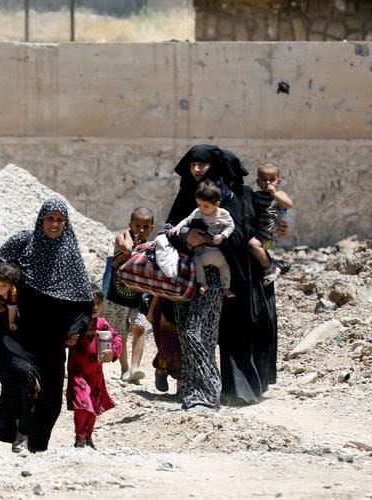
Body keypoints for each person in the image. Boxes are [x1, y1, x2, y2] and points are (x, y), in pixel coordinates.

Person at [166, 144, 280, 409]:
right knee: (191, 333)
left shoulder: (231, 197)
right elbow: (170, 227)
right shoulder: (187, 194)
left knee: (222, 334)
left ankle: (214, 393)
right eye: (193, 163)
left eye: (202, 164)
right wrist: (185, 235)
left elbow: (242, 235)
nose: (196, 169)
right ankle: (195, 389)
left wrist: (210, 238)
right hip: (192, 275)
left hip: (229, 276)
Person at [0, 198, 92, 453]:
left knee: (51, 397)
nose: (54, 224)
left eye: (59, 219)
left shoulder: (71, 256)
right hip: (16, 333)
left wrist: (76, 330)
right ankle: (19, 433)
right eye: (49, 219)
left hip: (52, 340)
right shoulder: (23, 243)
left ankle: (37, 446)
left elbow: (83, 304)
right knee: (22, 376)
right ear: (41, 219)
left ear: (66, 223)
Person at [66, 284, 122, 449]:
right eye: (91, 303)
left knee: (93, 406)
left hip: (96, 374)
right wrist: (68, 341)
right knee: (83, 404)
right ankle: (80, 437)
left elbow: (117, 338)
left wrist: (113, 351)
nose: (95, 307)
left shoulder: (102, 324)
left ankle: (88, 437)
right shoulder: (75, 322)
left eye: (98, 303)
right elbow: (61, 337)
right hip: (78, 373)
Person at [102, 207, 154, 384]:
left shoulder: (152, 246)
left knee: (139, 328)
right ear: (130, 225)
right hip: (117, 296)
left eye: (146, 227)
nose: (141, 230)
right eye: (137, 225)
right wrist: (135, 240)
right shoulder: (122, 237)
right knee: (121, 334)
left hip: (139, 297)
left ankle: (135, 368)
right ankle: (124, 368)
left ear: (152, 228)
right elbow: (126, 248)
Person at [169, 180, 236, 298]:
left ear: (216, 204)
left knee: (226, 268)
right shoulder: (198, 212)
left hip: (216, 250)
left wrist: (223, 236)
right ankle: (203, 284)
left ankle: (226, 288)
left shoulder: (223, 214)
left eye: (205, 206)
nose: (201, 208)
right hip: (202, 250)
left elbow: (231, 225)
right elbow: (187, 220)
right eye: (199, 205)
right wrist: (178, 227)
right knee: (196, 263)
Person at [249, 162, 293, 285]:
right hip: (260, 232)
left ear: (278, 181)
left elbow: (288, 204)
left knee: (253, 245)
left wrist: (274, 194)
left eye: (272, 180)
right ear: (258, 182)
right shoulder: (256, 196)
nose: (268, 183)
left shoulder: (279, 195)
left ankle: (270, 267)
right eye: (264, 180)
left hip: (271, 232)